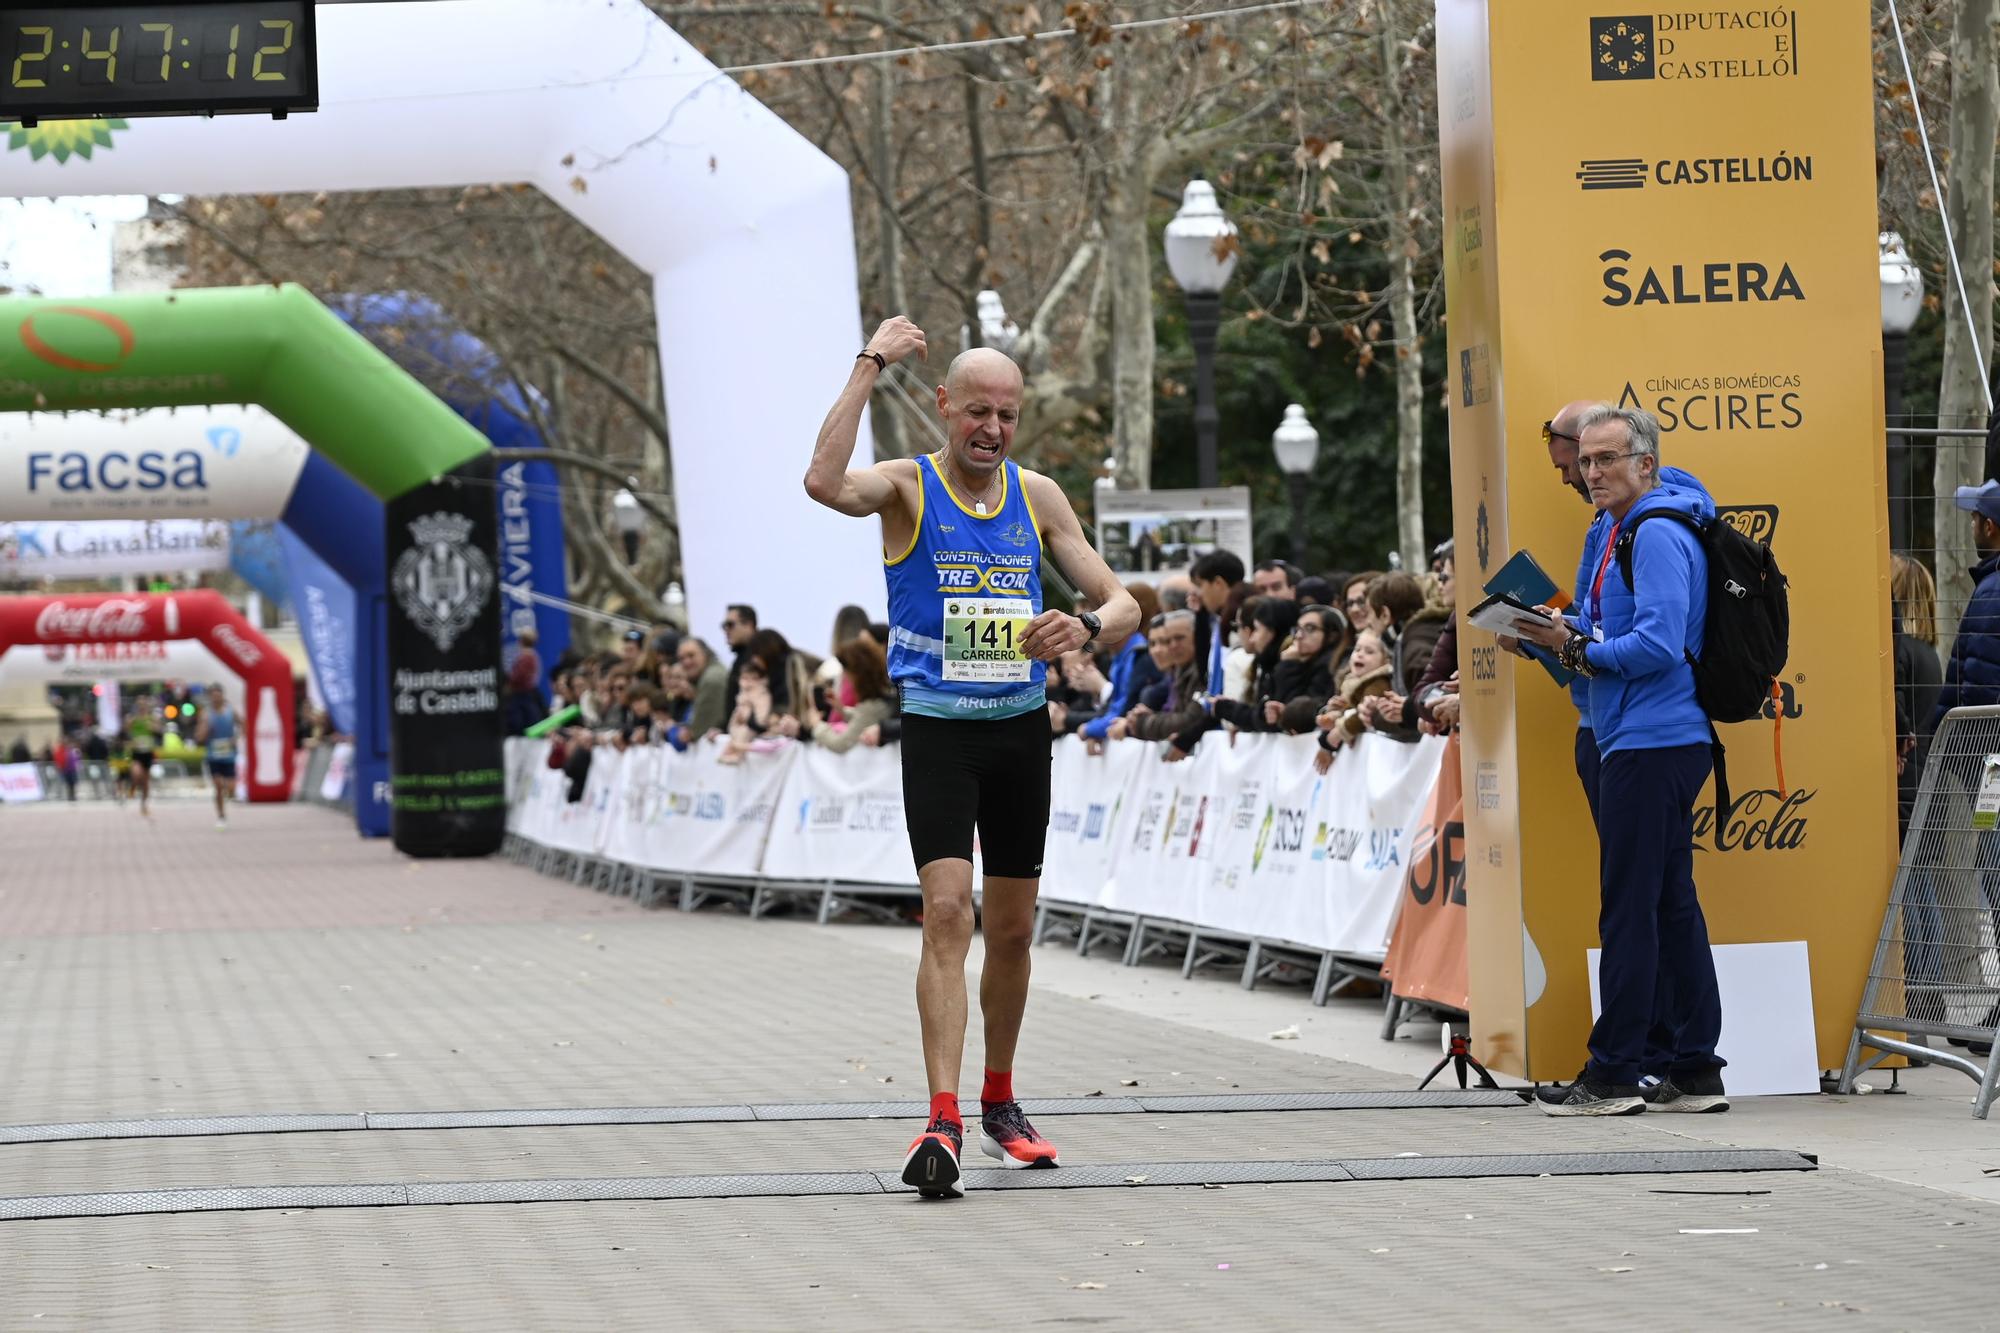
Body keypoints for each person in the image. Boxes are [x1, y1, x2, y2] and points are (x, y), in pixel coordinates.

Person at [804, 316, 1138, 1198]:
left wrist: (1087, 625)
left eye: (1007, 415)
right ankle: (941, 1115)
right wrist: (871, 362)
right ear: (944, 406)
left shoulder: (1040, 497)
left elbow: (1125, 600)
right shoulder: (908, 488)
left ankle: (1000, 1100)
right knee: (949, 910)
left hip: (1021, 727)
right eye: (976, 412)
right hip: (942, 730)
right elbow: (822, 480)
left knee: (1015, 927)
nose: (990, 429)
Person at [1516, 405, 1727, 1117]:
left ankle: (1614, 1073)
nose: (1592, 471)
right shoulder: (1618, 526)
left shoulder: (1658, 530)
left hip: (1654, 738)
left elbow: (1659, 646)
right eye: (1587, 461)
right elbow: (1616, 628)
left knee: (1631, 907)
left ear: (1646, 463)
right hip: (1638, 736)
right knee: (1666, 901)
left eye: (1607, 459)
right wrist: (1553, 630)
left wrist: (1572, 649)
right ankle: (1691, 1068)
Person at [1925, 484, 2000, 1055]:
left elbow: (1971, 678)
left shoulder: (1992, 592)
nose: (1972, 524)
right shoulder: (1988, 587)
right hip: (1984, 762)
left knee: (1994, 869)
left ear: (1991, 527)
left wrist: (1941, 736)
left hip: (1989, 759)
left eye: (1976, 516)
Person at [1078, 583, 1164, 746]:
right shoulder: (1123, 656)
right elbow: (1111, 710)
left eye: (1094, 621)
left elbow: (1123, 711)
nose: (1088, 630)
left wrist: (1089, 729)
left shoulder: (1140, 655)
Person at [1313, 630, 1395, 772]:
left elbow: (1363, 714)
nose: (1360, 654)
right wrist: (1333, 711)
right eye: (1357, 649)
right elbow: (1350, 710)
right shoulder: (1351, 682)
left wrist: (1338, 733)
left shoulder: (1377, 683)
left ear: (1385, 660)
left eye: (1369, 652)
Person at [803, 636, 897, 754]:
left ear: (858, 674)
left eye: (847, 672)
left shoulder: (872, 706)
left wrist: (816, 725)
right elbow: (866, 718)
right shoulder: (883, 698)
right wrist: (841, 709)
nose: (845, 677)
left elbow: (840, 744)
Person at [196, 688, 239, 828]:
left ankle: (228, 795)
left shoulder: (230, 711)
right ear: (210, 698)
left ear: (222, 697)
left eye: (218, 696)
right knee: (218, 786)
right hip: (213, 756)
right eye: (213, 696)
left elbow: (244, 723)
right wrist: (206, 729)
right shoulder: (206, 714)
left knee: (231, 788)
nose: (216, 699)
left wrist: (237, 738)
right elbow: (199, 737)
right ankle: (221, 815)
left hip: (229, 755)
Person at [676, 637, 732, 739]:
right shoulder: (709, 675)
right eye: (681, 659)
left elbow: (696, 732)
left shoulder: (711, 680)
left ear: (705, 654)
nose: (686, 662)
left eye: (691, 655)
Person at [505, 628, 549, 737]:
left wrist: (511, 684)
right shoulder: (532, 656)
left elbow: (519, 676)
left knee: (523, 719)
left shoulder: (526, 657)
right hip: (525, 693)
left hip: (523, 694)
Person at [720, 604, 759, 717]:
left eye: (730, 625)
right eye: (724, 626)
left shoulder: (758, 657)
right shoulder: (741, 657)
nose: (726, 630)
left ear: (749, 625)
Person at [127, 709, 157, 817]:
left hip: (148, 753)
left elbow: (158, 730)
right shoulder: (134, 719)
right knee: (136, 773)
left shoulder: (151, 719)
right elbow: (126, 729)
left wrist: (153, 727)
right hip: (137, 753)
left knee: (145, 783)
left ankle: (144, 805)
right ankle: (133, 787)